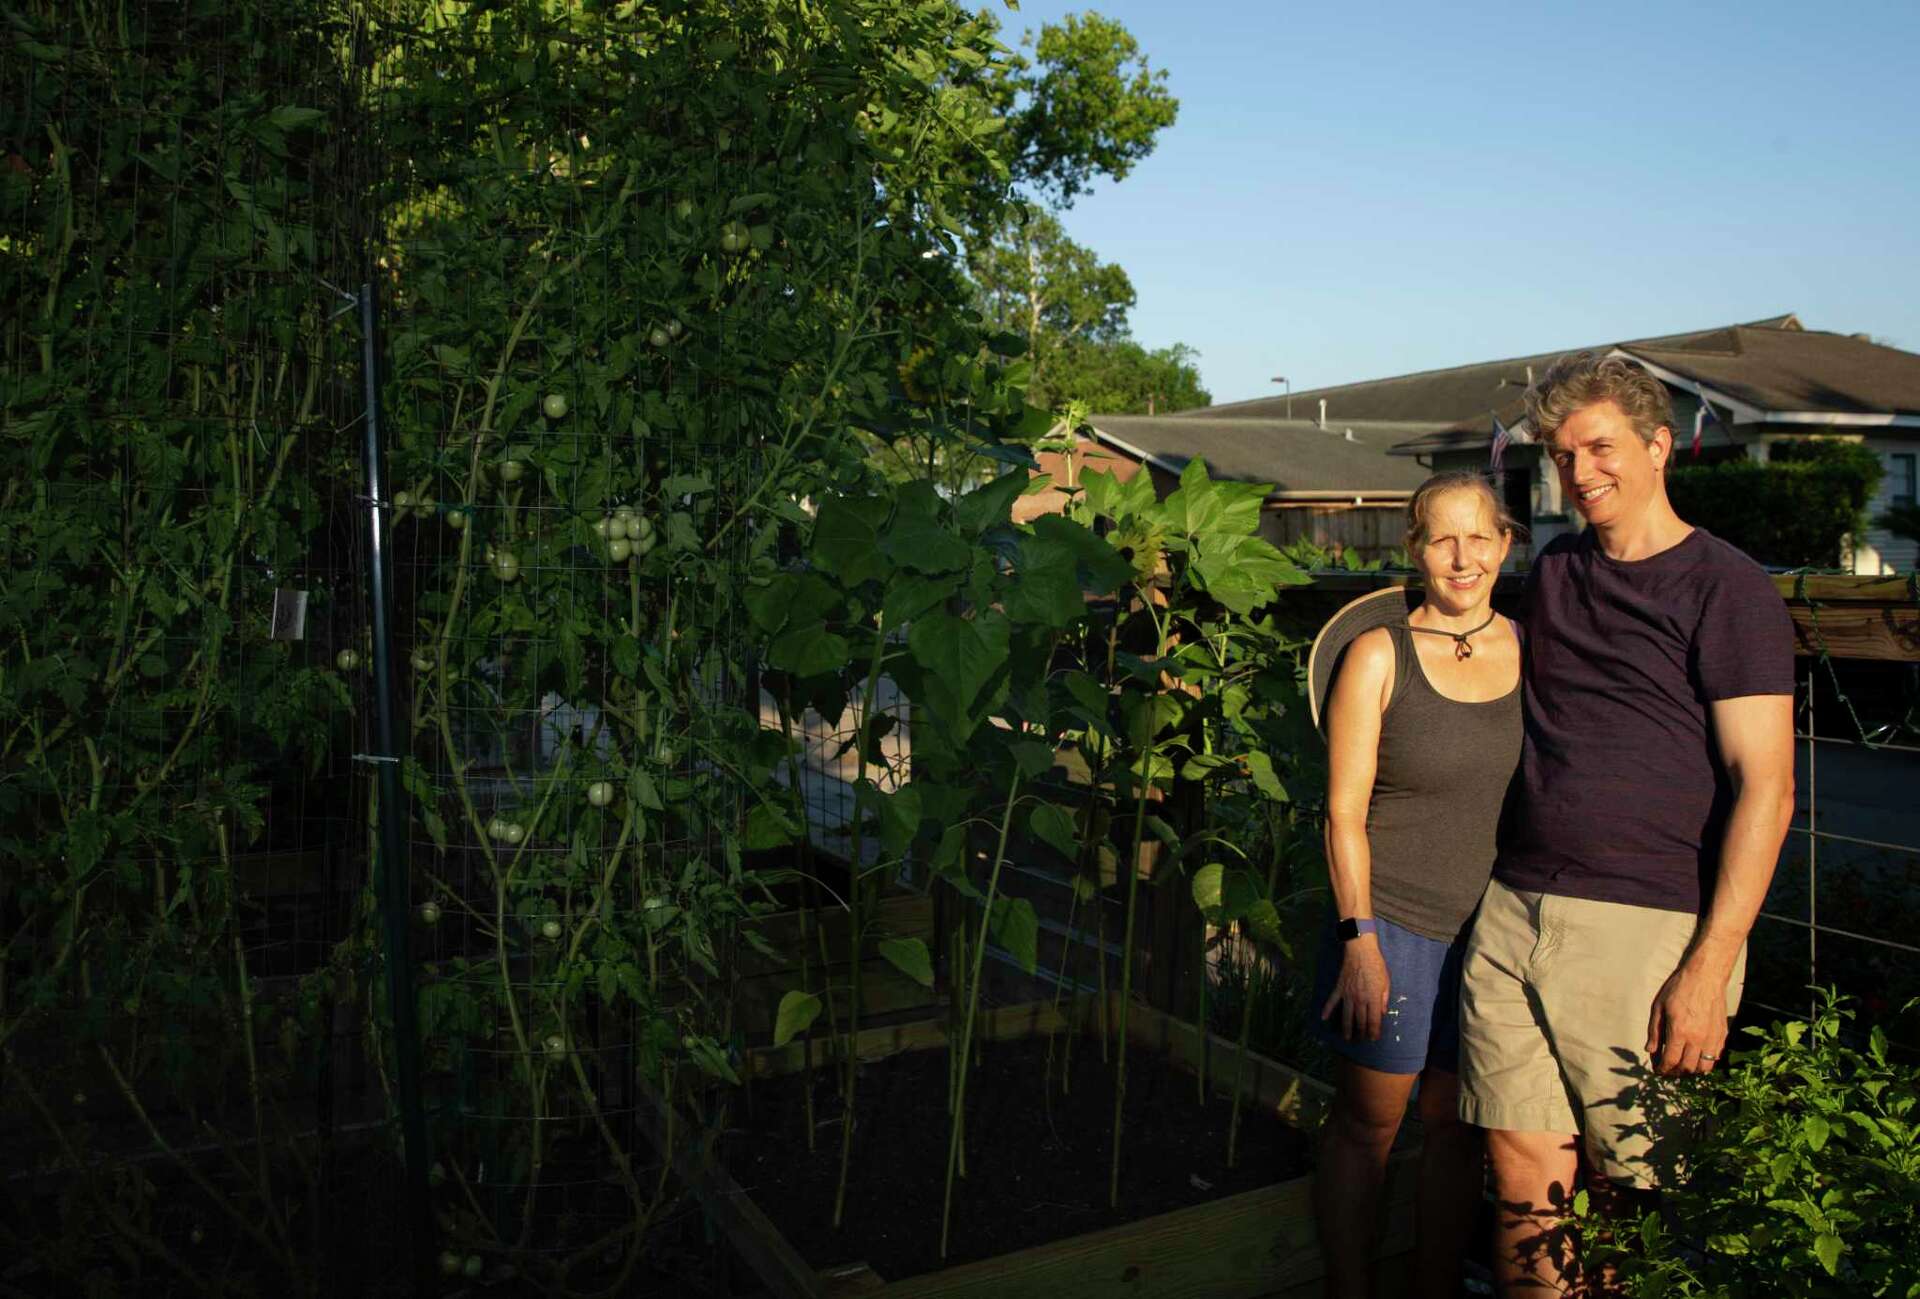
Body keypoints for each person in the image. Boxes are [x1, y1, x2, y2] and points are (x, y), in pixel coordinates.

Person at [1456, 353, 1797, 1295]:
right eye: (1564, 456)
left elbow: (1765, 786)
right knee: (1523, 1182)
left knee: (1628, 1200)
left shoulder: (1728, 590)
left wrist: (1710, 965)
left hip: (1643, 929)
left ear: (1657, 449)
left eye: (1599, 446)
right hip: (1514, 910)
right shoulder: (1558, 569)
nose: (1580, 471)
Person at [1307, 470, 1524, 1299]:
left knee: (1456, 1130)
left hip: (1493, 935)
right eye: (1443, 538)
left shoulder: (1531, 648)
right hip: (1392, 924)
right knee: (1371, 1126)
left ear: (1505, 543)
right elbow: (1342, 812)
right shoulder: (1378, 654)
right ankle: (1351, 1288)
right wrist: (1359, 942)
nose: (1462, 557)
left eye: (1480, 537)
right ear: (1415, 549)